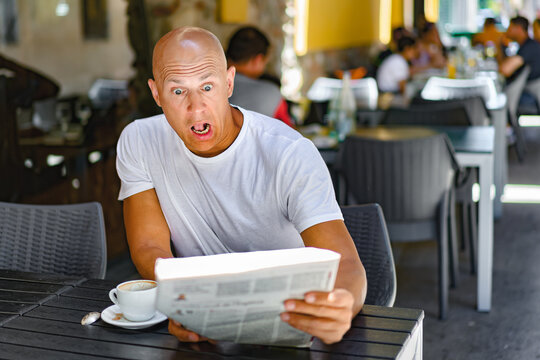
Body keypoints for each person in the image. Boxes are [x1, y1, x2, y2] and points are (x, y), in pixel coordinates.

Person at [116, 26, 367, 345]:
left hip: (289, 326)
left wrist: (342, 305)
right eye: (178, 91)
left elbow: (346, 263)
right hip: (200, 334)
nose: (196, 107)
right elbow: (148, 246)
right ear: (156, 94)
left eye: (207, 86)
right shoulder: (139, 141)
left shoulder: (288, 153)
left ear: (229, 83)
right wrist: (179, 302)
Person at [0, 54, 59, 201]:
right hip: (9, 182)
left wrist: (18, 133)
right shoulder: (4, 88)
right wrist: (8, 64)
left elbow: (49, 88)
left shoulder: (5, 88)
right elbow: (49, 87)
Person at [225, 26, 294, 127]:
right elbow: (289, 132)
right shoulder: (271, 93)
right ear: (258, 60)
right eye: (265, 63)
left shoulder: (207, 84)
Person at [500, 16, 540, 81]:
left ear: (518, 28)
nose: (507, 31)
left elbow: (505, 70)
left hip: (530, 89)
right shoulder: (527, 45)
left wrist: (501, 44)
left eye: (510, 28)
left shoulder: (530, 46)